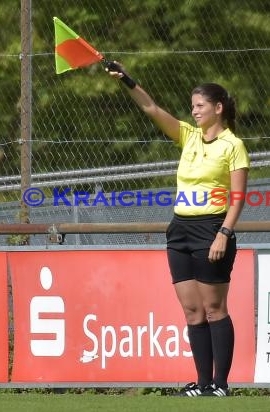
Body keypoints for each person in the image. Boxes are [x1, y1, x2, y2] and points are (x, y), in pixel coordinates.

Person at [105, 62, 249, 397]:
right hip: (180, 230)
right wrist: (127, 80)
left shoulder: (233, 145)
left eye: (200, 105)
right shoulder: (188, 135)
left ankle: (221, 385)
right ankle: (202, 384)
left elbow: (238, 198)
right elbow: (151, 107)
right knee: (192, 310)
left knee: (215, 309)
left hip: (211, 229)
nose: (194, 111)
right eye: (192, 105)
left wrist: (223, 234)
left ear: (218, 108)